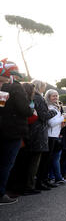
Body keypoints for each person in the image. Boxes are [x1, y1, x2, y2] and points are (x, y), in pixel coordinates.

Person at [0, 62, 33, 204]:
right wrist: (31, 108)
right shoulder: (15, 87)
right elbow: (25, 110)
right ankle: (0, 193)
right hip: (12, 131)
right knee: (6, 163)